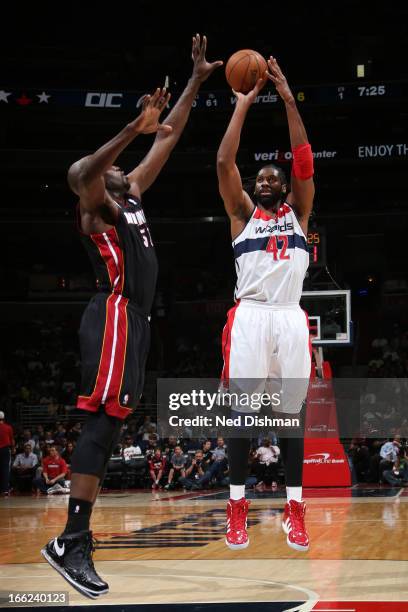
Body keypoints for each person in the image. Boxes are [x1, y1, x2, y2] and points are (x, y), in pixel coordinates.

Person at [41, 34, 222, 599]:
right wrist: (130, 129)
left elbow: (172, 136)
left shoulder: (135, 192)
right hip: (114, 310)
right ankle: (72, 538)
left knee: (114, 422)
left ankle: (72, 538)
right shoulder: (95, 207)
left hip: (138, 322)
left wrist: (194, 81)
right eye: (119, 164)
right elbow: (80, 171)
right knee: (101, 422)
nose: (128, 168)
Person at [217, 56, 314, 552]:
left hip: (291, 317)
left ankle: (295, 509)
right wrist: (243, 105)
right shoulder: (241, 215)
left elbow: (303, 159)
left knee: (291, 416)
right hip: (251, 316)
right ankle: (238, 506)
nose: (267, 181)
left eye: (274, 178)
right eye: (261, 178)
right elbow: (223, 163)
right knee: (242, 416)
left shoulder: (298, 212)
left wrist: (289, 98)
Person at [0, 411, 14, 496]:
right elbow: (12, 439)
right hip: (5, 450)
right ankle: (5, 489)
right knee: (5, 469)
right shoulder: (8, 427)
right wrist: (13, 449)